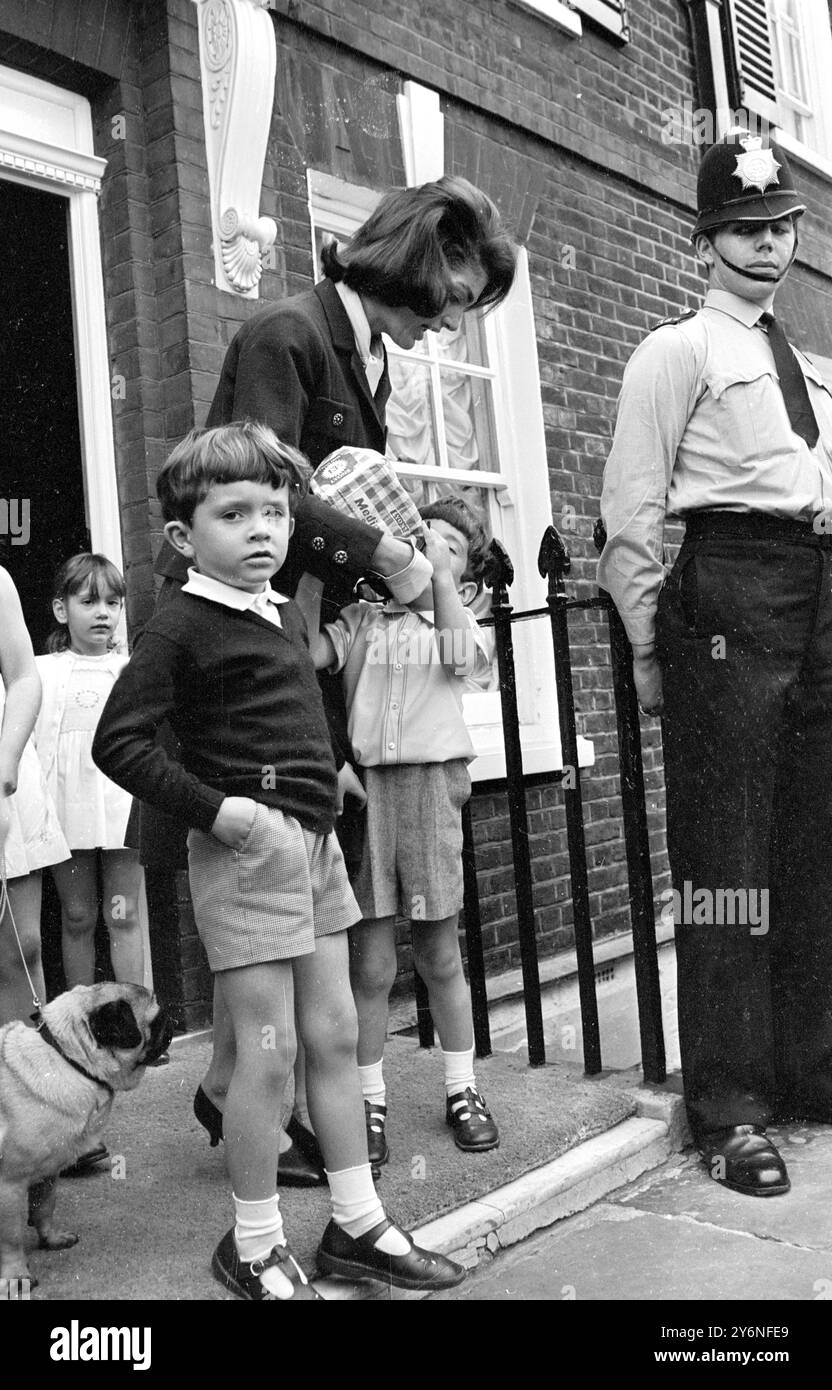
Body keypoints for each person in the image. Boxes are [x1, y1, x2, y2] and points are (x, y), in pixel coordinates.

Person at [152, 174, 518, 1182]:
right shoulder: (287, 332)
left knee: (295, 878)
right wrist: (390, 557)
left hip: (301, 653)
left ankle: (236, 1085)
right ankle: (243, 1092)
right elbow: (262, 489)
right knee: (268, 883)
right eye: (455, 282)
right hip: (243, 655)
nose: (451, 312)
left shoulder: (359, 354)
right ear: (414, 254)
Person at [92, 421, 466, 1299]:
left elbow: (285, 712)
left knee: (332, 1037)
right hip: (250, 853)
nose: (262, 529)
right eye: (235, 514)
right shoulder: (181, 626)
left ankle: (357, 1223)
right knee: (266, 1053)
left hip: (314, 846)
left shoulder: (275, 613)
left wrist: (321, 766)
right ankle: (253, 1244)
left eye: (275, 511)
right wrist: (225, 815)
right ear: (186, 538)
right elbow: (122, 742)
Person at [597, 132, 832, 1198]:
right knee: (726, 870)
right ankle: (730, 1106)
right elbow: (631, 515)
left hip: (811, 592)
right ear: (705, 240)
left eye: (780, 227)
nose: (767, 247)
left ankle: (804, 1066)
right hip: (723, 597)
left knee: (814, 848)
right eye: (745, 230)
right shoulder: (674, 352)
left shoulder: (806, 367)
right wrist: (652, 651)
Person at [300, 493, 499, 1165]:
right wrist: (310, 566)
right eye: (420, 535)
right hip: (369, 794)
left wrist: (434, 576)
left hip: (430, 785)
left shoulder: (458, 622)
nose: (427, 545)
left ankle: (462, 1089)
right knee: (373, 964)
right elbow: (302, 655)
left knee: (440, 953)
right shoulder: (360, 618)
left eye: (447, 543)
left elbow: (459, 661)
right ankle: (369, 1100)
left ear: (465, 576)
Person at [34, 554, 145, 992]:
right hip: (67, 803)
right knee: (77, 915)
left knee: (123, 911)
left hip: (120, 802)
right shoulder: (43, 671)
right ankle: (80, 1019)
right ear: (63, 610)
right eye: (89, 602)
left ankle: (138, 1021)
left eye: (113, 603)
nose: (103, 613)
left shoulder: (131, 669)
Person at [0, 567, 69, 1027]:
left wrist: (5, 765)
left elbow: (24, 677)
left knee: (21, 947)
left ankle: (25, 1088)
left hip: (3, 767)